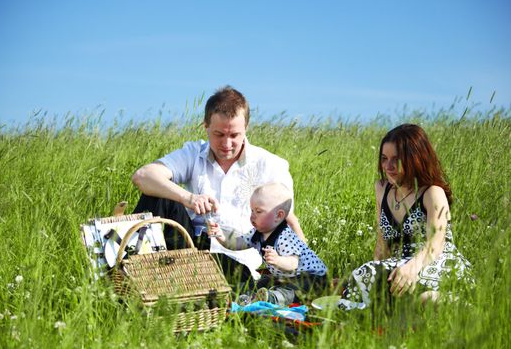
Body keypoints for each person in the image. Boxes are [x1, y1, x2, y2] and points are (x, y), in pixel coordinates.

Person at [131, 86, 305, 285]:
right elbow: (143, 176)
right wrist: (189, 198)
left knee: (233, 273)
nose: (227, 143)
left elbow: (288, 220)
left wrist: (303, 266)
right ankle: (125, 270)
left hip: (237, 258)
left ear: (246, 128)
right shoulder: (193, 153)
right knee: (158, 193)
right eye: (219, 134)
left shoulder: (270, 165)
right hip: (190, 246)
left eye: (234, 135)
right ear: (205, 126)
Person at [337, 124, 473, 311]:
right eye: (384, 159)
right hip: (399, 264)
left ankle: (460, 304)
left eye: (396, 160)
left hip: (434, 262)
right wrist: (371, 275)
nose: (388, 167)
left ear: (415, 159)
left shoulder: (432, 193)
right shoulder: (382, 189)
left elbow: (436, 244)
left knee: (420, 297)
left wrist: (412, 266)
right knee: (364, 276)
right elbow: (382, 244)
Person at [208, 182, 327, 306]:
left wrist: (278, 260)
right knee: (263, 281)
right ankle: (243, 293)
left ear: (279, 215)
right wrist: (220, 235)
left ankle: (272, 298)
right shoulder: (258, 232)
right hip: (285, 276)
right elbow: (236, 243)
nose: (252, 216)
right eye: (252, 210)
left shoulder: (284, 236)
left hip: (313, 277)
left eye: (258, 211)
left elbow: (293, 263)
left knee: (293, 290)